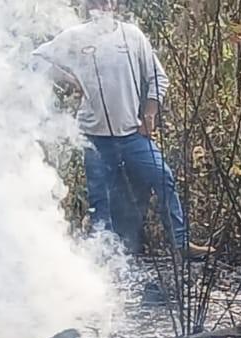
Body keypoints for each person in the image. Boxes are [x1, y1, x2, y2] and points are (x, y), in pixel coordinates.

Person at [33, 0, 206, 259]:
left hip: (132, 134)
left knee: (163, 178)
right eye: (98, 1)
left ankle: (180, 243)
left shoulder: (132, 36)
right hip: (94, 138)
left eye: (109, 0)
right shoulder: (76, 36)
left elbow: (158, 78)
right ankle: (106, 262)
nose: (105, 5)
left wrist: (149, 112)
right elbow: (38, 58)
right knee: (101, 202)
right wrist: (69, 79)